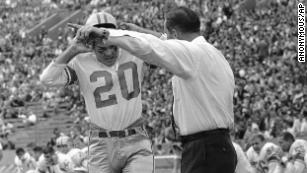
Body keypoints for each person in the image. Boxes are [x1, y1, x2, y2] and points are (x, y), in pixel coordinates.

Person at [69, 6, 237, 173]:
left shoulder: (192, 55)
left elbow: (153, 47)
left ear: (175, 33)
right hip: (217, 147)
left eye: (168, 34)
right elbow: (166, 43)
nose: (166, 39)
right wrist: (140, 30)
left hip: (204, 149)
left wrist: (105, 34)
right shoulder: (212, 53)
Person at [40, 11, 153, 173]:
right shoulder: (81, 60)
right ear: (90, 45)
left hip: (136, 139)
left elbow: (172, 45)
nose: (109, 53)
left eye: (113, 46)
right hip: (101, 144)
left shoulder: (134, 50)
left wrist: (140, 32)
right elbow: (47, 79)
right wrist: (72, 49)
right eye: (101, 49)